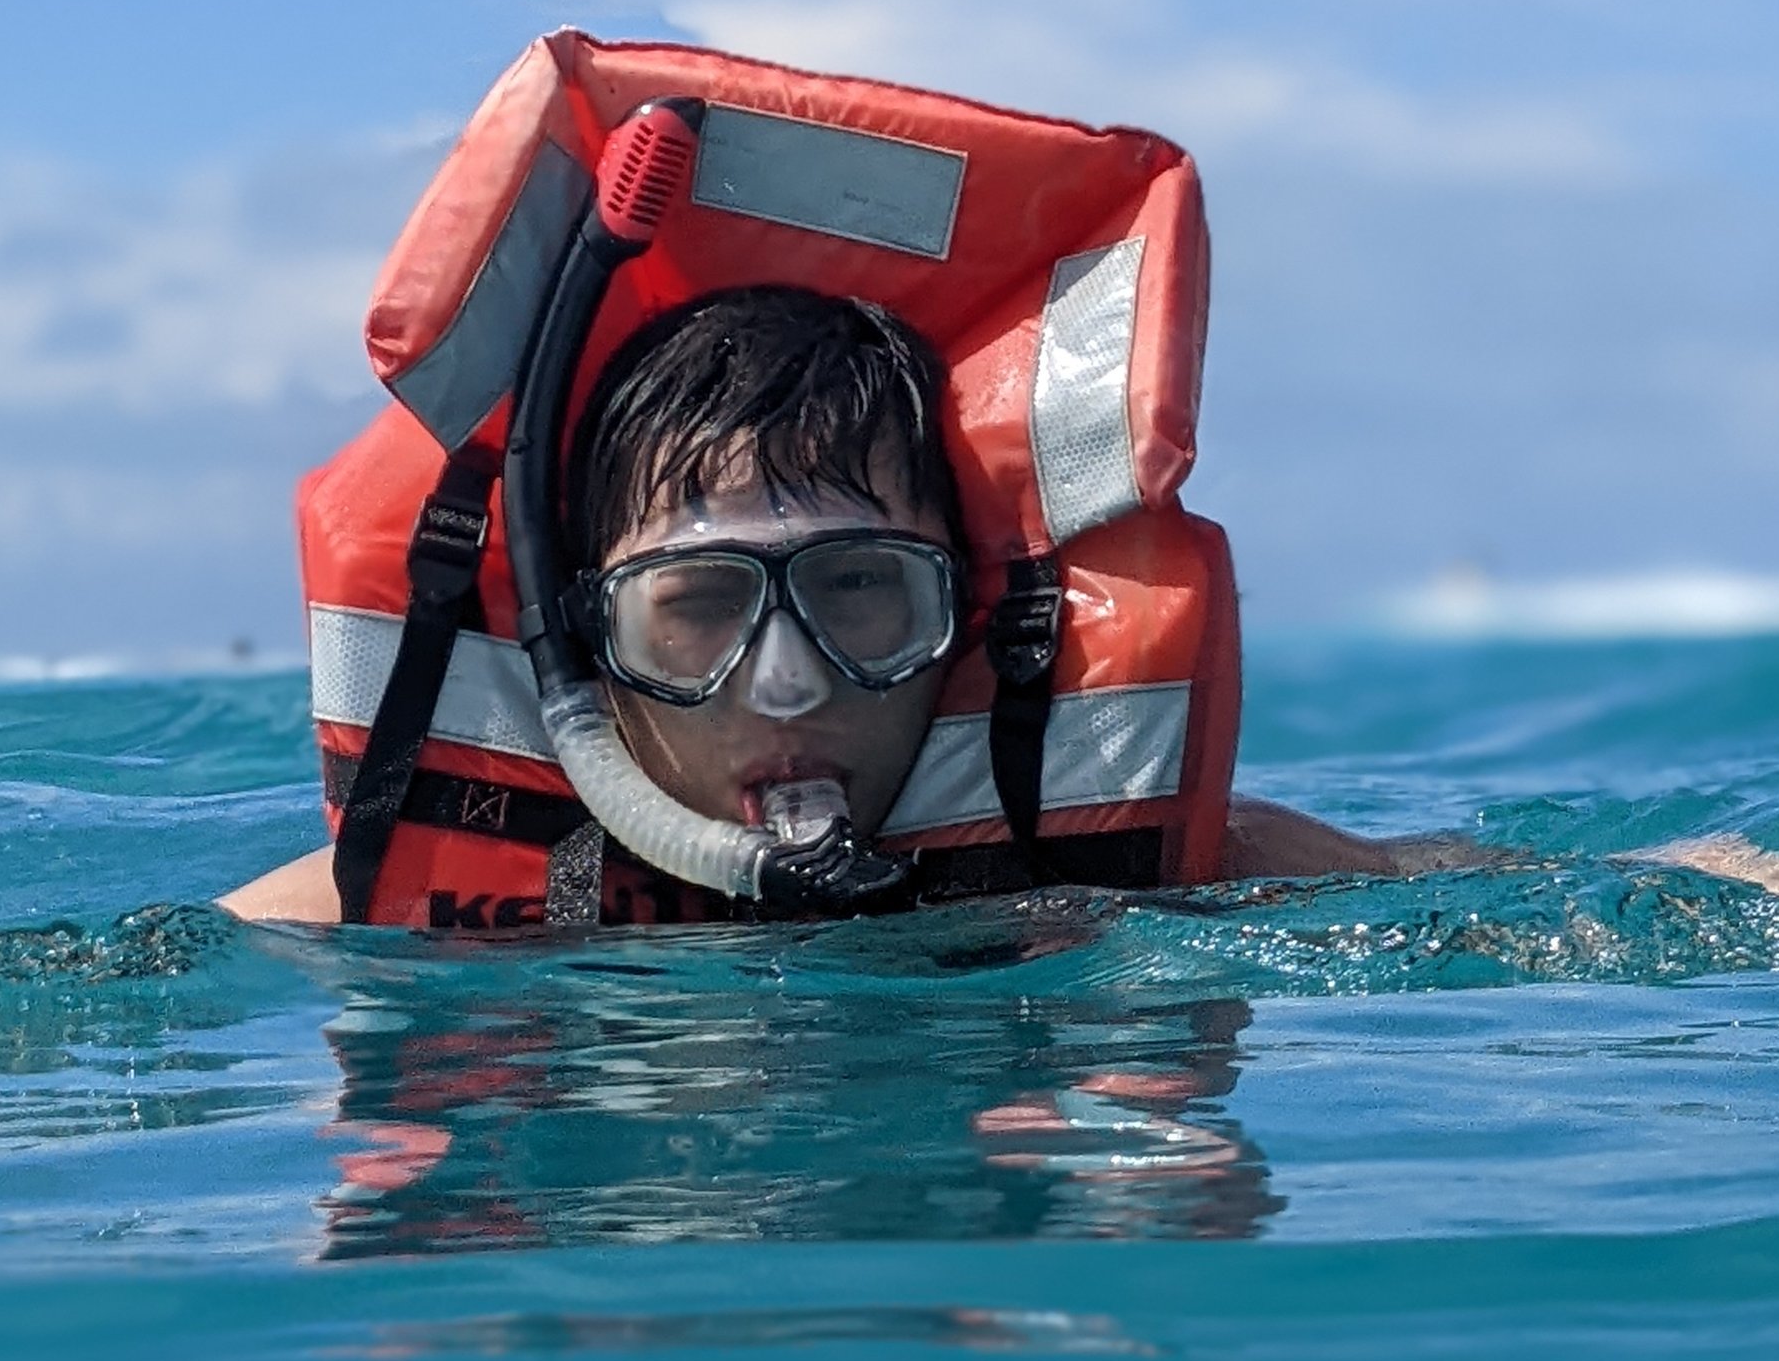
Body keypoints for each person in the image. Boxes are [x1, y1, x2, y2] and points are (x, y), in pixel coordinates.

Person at [228, 283, 1454, 924]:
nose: (786, 680)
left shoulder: (1180, 874)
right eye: (697, 605)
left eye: (862, 590)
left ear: (972, 618)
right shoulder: (368, 912)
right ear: (584, 651)